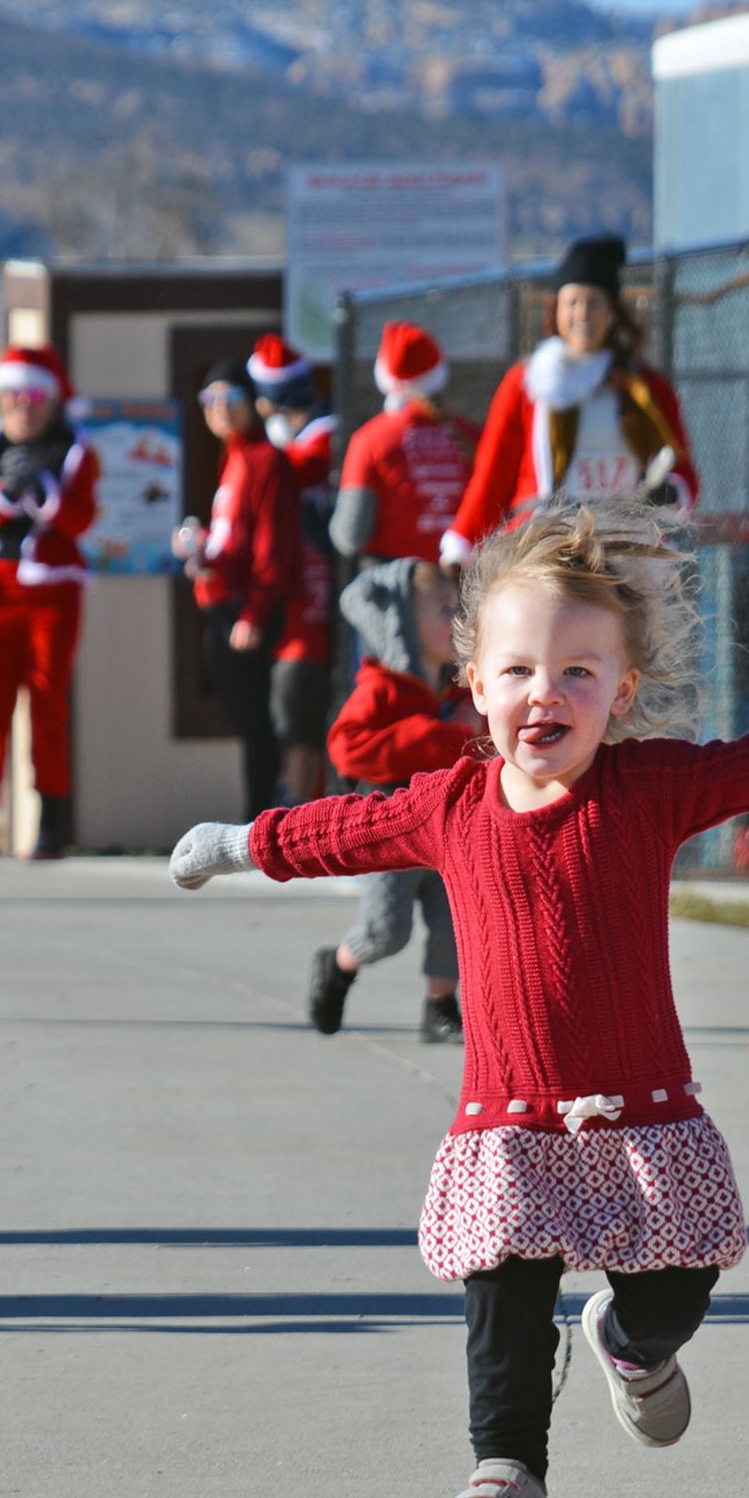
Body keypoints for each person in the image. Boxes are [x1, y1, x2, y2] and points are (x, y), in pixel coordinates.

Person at [170, 508, 749, 1498]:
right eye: (519, 669)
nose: (547, 692)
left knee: (676, 1291)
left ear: (621, 692)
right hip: (508, 1120)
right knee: (501, 1296)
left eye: (580, 672)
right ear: (477, 685)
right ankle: (507, 1471)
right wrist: (237, 842)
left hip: (644, 1112)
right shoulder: (449, 806)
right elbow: (342, 828)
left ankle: (632, 1345)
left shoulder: (646, 789)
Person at [439, 236, 697, 567]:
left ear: (612, 312)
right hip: (544, 540)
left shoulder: (644, 387)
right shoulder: (527, 383)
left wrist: (668, 494)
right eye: (572, 302)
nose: (582, 314)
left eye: (594, 303)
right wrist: (462, 545)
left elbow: (682, 471)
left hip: (623, 543)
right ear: (556, 310)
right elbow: (493, 474)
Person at [306, 559, 472, 1044]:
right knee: (387, 931)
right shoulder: (380, 688)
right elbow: (346, 746)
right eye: (444, 610)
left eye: (460, 608)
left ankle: (440, 1006)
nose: (458, 621)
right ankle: (336, 966)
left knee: (454, 923)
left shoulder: (459, 687)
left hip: (444, 828)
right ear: (401, 622)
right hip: (389, 831)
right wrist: (436, 736)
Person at [0, 344, 98, 863]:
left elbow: (81, 520)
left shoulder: (76, 450)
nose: (23, 404)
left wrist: (45, 493)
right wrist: (1, 492)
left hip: (52, 593)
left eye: (34, 394)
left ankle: (50, 827)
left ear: (52, 400)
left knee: (47, 701)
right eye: (13, 394)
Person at [172, 357, 300, 822]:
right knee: (244, 717)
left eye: (232, 399)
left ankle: (258, 819)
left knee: (257, 723)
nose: (221, 409)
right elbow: (237, 542)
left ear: (252, 404)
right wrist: (201, 553)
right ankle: (256, 818)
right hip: (223, 602)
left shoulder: (266, 459)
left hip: (249, 610)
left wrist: (255, 613)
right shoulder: (233, 459)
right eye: (211, 400)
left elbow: (273, 548)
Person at [249, 334, 336, 803]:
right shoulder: (301, 447)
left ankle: (304, 810)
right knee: (296, 713)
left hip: (319, 606)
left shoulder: (321, 443)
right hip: (297, 606)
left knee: (304, 715)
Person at [331, 322, 478, 566]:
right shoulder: (472, 435)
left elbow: (350, 535)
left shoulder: (370, 439)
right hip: (463, 582)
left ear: (387, 378)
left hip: (394, 586)